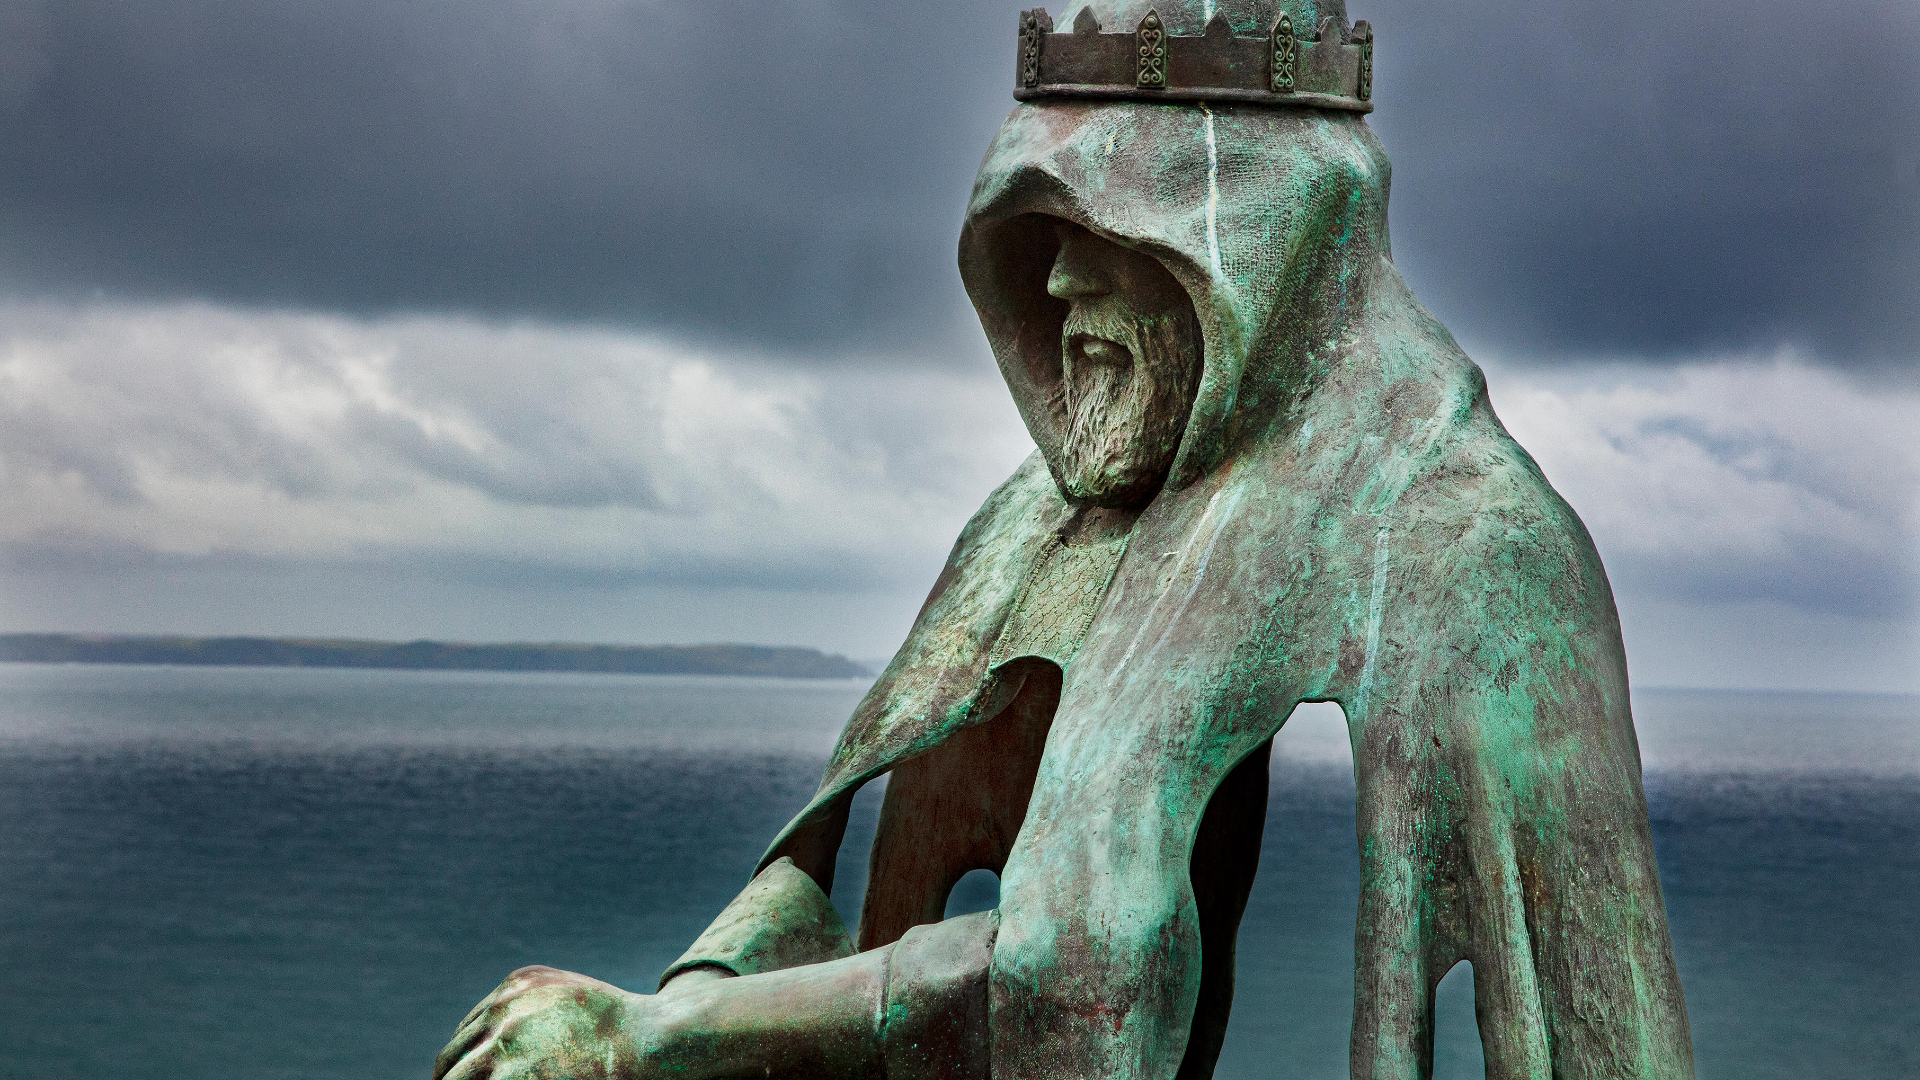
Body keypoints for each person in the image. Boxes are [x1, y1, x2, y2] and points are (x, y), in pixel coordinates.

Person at [436, 2, 1697, 1077]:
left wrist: (655, 1039)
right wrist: (655, 1007)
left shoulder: (1478, 550)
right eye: (1043, 233)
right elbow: (824, 865)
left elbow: (1079, 964)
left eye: (1108, 235)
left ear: (1263, 252)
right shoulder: (1033, 521)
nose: (1056, 282)